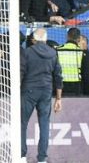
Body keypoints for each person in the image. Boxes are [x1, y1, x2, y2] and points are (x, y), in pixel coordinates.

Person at [21, 28, 62, 163]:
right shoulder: (53, 53)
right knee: (44, 124)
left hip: (29, 90)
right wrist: (58, 99)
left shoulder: (27, 52)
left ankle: (21, 156)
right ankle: (42, 158)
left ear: (33, 39)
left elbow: (21, 72)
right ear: (45, 39)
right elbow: (58, 76)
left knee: (22, 123)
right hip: (46, 91)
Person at [56, 27, 85, 96]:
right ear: (79, 39)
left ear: (67, 36)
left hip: (61, 85)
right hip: (77, 86)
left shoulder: (58, 50)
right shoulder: (81, 52)